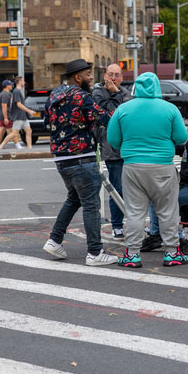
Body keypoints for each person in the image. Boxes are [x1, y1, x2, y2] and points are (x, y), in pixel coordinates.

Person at [107, 72, 188, 268]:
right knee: (167, 211)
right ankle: (172, 253)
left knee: (135, 213)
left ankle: (132, 255)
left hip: (133, 166)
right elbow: (181, 137)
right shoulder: (170, 109)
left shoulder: (123, 109)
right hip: (163, 166)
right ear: (157, 88)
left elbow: (113, 140)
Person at [42, 59, 116, 266]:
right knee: (91, 204)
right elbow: (105, 119)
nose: (92, 78)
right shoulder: (82, 97)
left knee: (74, 198)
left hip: (61, 158)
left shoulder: (54, 95)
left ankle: (55, 240)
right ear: (78, 77)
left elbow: (47, 121)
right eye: (88, 74)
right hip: (82, 157)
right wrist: (114, 96)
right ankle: (95, 252)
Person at [141, 98, 188, 254]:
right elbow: (187, 151)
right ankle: (157, 234)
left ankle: (174, 237)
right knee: (156, 197)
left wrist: (178, 178)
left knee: (160, 200)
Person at [91, 64, 131, 240]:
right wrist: (115, 95)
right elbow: (109, 114)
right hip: (111, 148)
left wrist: (116, 95)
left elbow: (128, 111)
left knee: (133, 189)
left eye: (117, 75)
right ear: (104, 75)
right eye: (110, 74)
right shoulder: (97, 92)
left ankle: (132, 222)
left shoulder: (126, 93)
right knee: (117, 188)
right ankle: (117, 225)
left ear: (121, 78)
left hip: (129, 148)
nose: (113, 78)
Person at [0, 76, 35, 149]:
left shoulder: (18, 91)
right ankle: (1, 146)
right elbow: (18, 104)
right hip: (18, 116)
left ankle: (30, 148)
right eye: (23, 81)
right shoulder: (16, 91)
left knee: (28, 131)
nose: (24, 82)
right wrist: (29, 111)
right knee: (14, 133)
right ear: (20, 82)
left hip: (23, 116)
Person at [0, 80, 14, 149]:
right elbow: (4, 106)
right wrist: (6, 117)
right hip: (6, 116)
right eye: (10, 84)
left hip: (2, 116)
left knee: (1, 131)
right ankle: (18, 146)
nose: (11, 86)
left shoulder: (3, 93)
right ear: (7, 86)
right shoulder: (5, 94)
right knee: (13, 132)